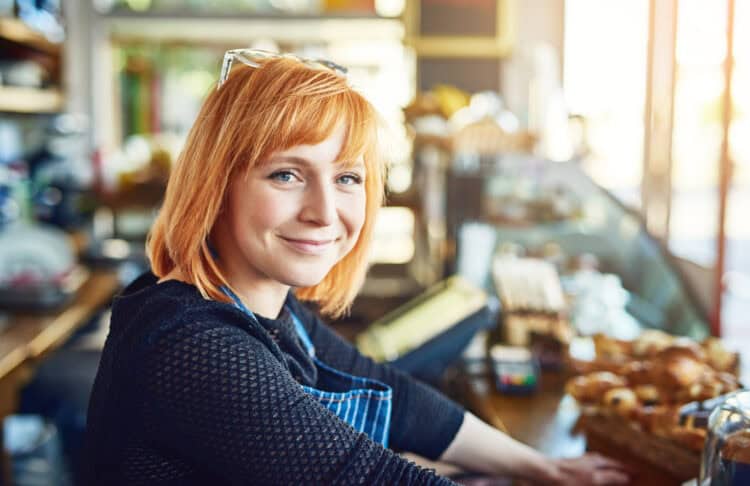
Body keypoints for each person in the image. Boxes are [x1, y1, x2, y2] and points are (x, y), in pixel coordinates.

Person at [83, 49, 630, 485]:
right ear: (215, 186)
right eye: (286, 175)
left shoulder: (264, 305)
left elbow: (396, 397)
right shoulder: (192, 342)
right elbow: (363, 475)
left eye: (347, 178)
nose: (325, 212)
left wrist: (545, 469)